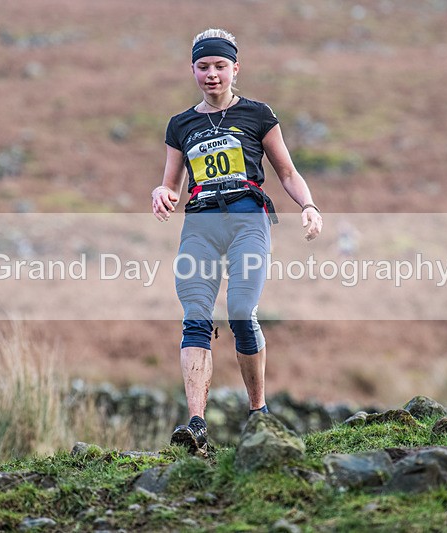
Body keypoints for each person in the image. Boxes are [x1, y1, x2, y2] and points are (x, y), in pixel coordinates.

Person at [151, 28, 322, 453]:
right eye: (203, 67)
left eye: (220, 66)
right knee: (195, 315)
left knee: (242, 311)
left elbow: (286, 171)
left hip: (248, 218)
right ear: (193, 69)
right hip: (201, 225)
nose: (212, 75)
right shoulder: (180, 125)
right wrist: (162, 193)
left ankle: (257, 412)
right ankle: (196, 424)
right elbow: (171, 183)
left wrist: (309, 205)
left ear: (234, 69)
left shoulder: (258, 114)